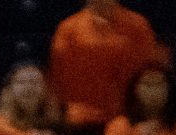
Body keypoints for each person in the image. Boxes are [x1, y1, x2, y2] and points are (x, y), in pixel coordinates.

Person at [49, 0, 164, 128]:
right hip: (81, 124)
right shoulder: (68, 29)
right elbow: (58, 80)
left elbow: (150, 75)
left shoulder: (138, 26)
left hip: (129, 122)